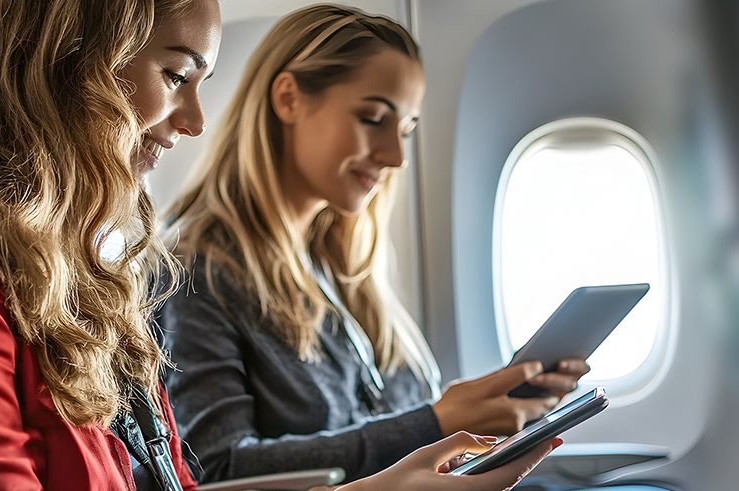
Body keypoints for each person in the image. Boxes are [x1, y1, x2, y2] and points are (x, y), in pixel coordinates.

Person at [0, 0, 557, 489]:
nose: (194, 120)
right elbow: (222, 462)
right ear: (66, 60)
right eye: (176, 76)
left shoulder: (84, 276)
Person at [160, 4, 589, 485]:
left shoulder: (337, 265)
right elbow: (216, 469)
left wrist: (496, 407)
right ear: (288, 98)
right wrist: (437, 423)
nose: (396, 156)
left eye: (405, 130)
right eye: (372, 118)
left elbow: (394, 426)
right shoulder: (194, 269)